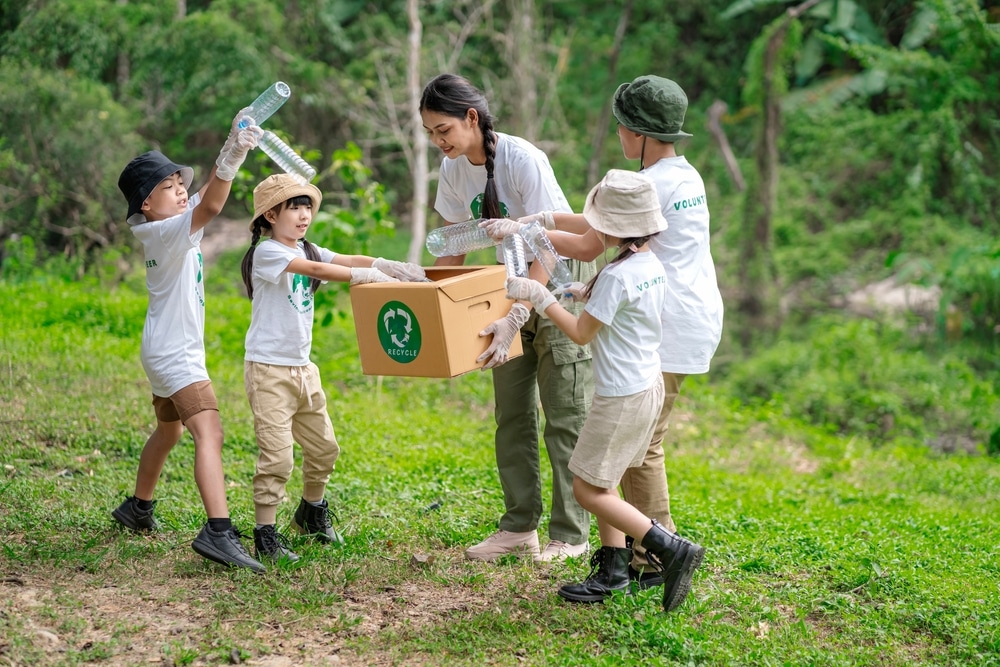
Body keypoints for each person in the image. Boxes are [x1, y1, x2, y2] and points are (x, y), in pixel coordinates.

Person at [483, 75, 723, 592]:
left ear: (637, 133)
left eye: (621, 127)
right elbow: (599, 226)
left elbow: (590, 243)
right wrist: (539, 218)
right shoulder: (681, 175)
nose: (618, 135)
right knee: (634, 448)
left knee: (641, 447)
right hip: (684, 312)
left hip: (664, 325)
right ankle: (631, 556)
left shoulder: (646, 194)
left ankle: (657, 554)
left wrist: (527, 235)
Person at [505, 169, 705, 613]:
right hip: (645, 385)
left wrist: (540, 296)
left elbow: (580, 334)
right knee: (605, 477)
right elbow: (618, 308)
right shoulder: (647, 264)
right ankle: (613, 571)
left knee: (586, 490)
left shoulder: (616, 276)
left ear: (614, 228)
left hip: (620, 397)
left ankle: (670, 548)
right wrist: (578, 291)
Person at [420, 73, 596, 563]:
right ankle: (520, 527)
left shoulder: (523, 159)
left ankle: (571, 534)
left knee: (564, 413)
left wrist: (522, 311)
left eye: (443, 130)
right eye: (431, 133)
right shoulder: (453, 169)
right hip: (505, 282)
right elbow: (451, 246)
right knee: (511, 411)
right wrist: (435, 305)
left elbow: (551, 245)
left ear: (471, 119)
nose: (439, 141)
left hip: (559, 277)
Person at [241, 173, 426, 563]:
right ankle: (265, 534)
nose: (304, 214)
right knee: (277, 458)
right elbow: (321, 272)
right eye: (294, 206)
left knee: (324, 448)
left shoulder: (306, 247)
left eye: (307, 205)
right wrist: (366, 278)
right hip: (269, 370)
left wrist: (385, 265)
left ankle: (311, 513)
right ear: (271, 215)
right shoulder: (269, 252)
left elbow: (342, 260)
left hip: (304, 370)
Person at [113, 110, 267, 572]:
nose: (180, 190)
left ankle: (136, 508)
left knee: (170, 430)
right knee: (210, 432)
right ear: (145, 204)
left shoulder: (167, 224)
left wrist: (231, 144)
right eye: (168, 188)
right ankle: (218, 532)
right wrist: (233, 151)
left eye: (181, 183)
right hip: (176, 353)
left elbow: (205, 197)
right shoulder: (164, 230)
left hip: (160, 347)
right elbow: (213, 205)